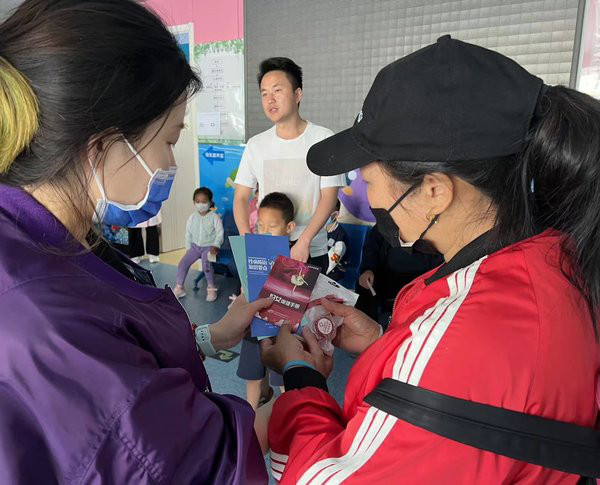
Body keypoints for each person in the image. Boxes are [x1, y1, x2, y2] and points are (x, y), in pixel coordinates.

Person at [260, 36, 600, 483]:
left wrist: (301, 379)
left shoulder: (472, 332)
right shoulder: (555, 262)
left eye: (368, 177)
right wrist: (388, 345)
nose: (366, 194)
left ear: (435, 191)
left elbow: (321, 478)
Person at [0, 1, 272, 483]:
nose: (171, 164)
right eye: (168, 141)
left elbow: (124, 362)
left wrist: (210, 337)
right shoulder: (48, 320)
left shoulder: (46, 238)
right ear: (103, 147)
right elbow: (192, 466)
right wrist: (303, 384)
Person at [233, 57, 345, 270]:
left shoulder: (323, 139)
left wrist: (305, 240)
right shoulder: (256, 145)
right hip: (268, 249)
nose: (270, 100)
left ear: (297, 94)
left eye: (277, 90)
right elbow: (240, 197)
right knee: (261, 294)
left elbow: (329, 197)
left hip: (311, 248)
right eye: (264, 93)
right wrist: (247, 239)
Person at [237, 192, 296, 409]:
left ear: (289, 227)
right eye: (260, 225)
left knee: (284, 380)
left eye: (272, 226)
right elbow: (243, 289)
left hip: (282, 331)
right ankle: (250, 417)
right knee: (252, 377)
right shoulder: (252, 255)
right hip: (253, 326)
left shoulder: (295, 257)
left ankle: (290, 416)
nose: (264, 231)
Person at [356, 224, 442, 323]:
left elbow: (442, 261)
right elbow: (372, 246)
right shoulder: (389, 221)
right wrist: (368, 269)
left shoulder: (437, 229)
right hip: (385, 275)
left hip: (421, 280)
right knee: (365, 285)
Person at [174, 187, 224, 301]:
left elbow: (220, 233)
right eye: (198, 201)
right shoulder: (192, 217)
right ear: (194, 202)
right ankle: (179, 287)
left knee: (207, 266)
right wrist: (188, 248)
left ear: (210, 202)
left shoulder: (214, 217)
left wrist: (216, 245)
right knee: (182, 264)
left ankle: (211, 288)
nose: (201, 204)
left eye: (204, 201)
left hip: (209, 247)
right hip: (195, 247)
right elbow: (188, 233)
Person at [324, 199, 348, 281]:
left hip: (333, 270)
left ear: (336, 215)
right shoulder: (317, 230)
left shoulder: (341, 235)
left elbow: (333, 261)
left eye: (326, 212)